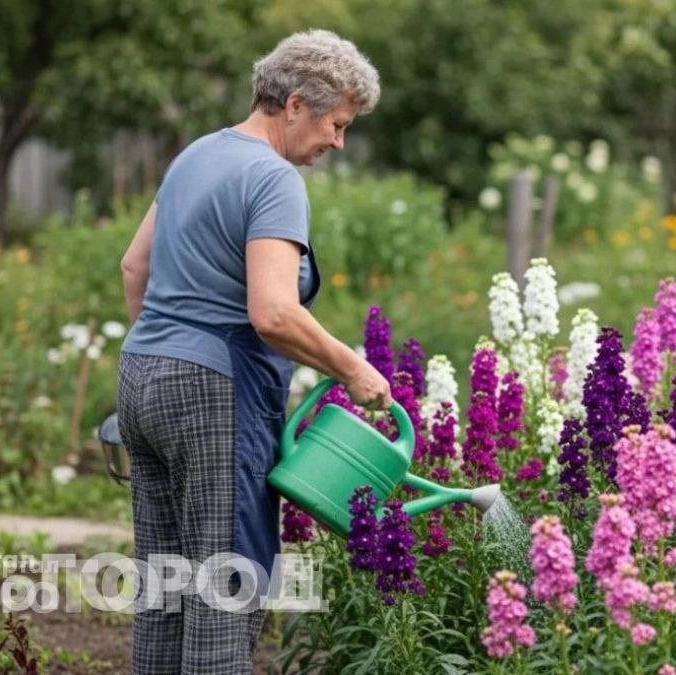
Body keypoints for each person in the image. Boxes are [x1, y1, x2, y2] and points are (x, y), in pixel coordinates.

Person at [116, 30, 391, 674]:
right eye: (336, 124)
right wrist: (352, 367)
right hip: (215, 393)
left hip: (141, 378)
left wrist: (163, 352)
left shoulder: (197, 154)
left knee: (165, 590)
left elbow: (135, 267)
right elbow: (272, 313)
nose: (337, 142)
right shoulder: (273, 178)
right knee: (224, 591)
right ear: (295, 104)